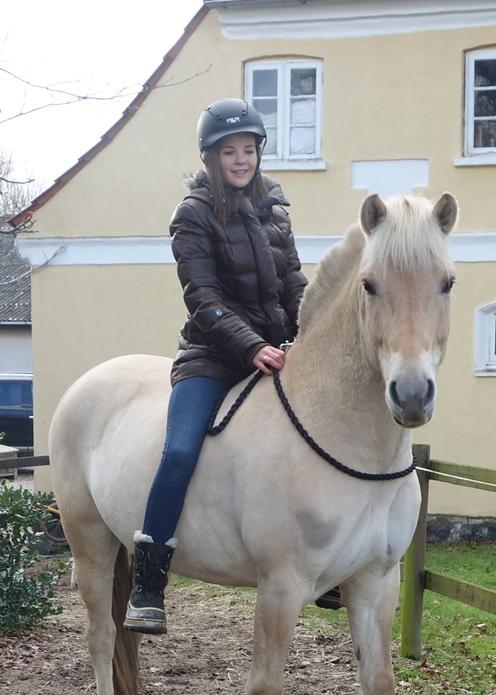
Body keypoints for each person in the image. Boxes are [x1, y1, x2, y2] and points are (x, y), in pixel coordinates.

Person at [124, 98, 308, 634]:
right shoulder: (193, 214)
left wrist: (308, 332)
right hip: (211, 355)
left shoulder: (275, 207)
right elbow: (202, 296)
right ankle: (149, 583)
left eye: (248, 149)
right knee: (180, 450)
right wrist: (250, 346)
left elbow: (292, 282)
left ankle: (326, 566)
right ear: (210, 157)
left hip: (273, 352)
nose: (241, 159)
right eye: (230, 151)